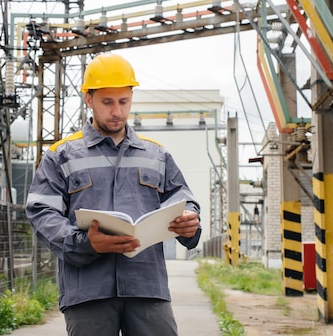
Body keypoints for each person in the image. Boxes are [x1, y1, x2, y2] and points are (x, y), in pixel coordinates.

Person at [25, 53, 201, 336]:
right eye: (107, 102)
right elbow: (41, 212)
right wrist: (84, 243)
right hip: (88, 289)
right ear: (89, 99)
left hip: (146, 285)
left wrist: (190, 220)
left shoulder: (156, 154)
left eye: (124, 101)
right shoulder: (61, 155)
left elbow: (182, 198)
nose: (117, 111)